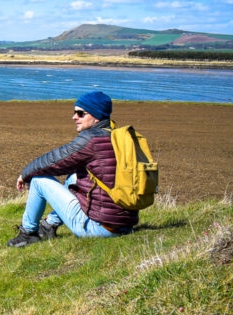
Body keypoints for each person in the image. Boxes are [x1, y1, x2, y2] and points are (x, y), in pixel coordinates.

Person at [7, 91, 138, 248]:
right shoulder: (120, 137)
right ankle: (50, 226)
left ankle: (28, 234)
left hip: (97, 228)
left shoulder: (91, 139)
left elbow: (53, 161)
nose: (74, 117)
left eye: (80, 113)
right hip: (125, 225)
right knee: (74, 177)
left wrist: (25, 174)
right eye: (75, 112)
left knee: (38, 180)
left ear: (96, 116)